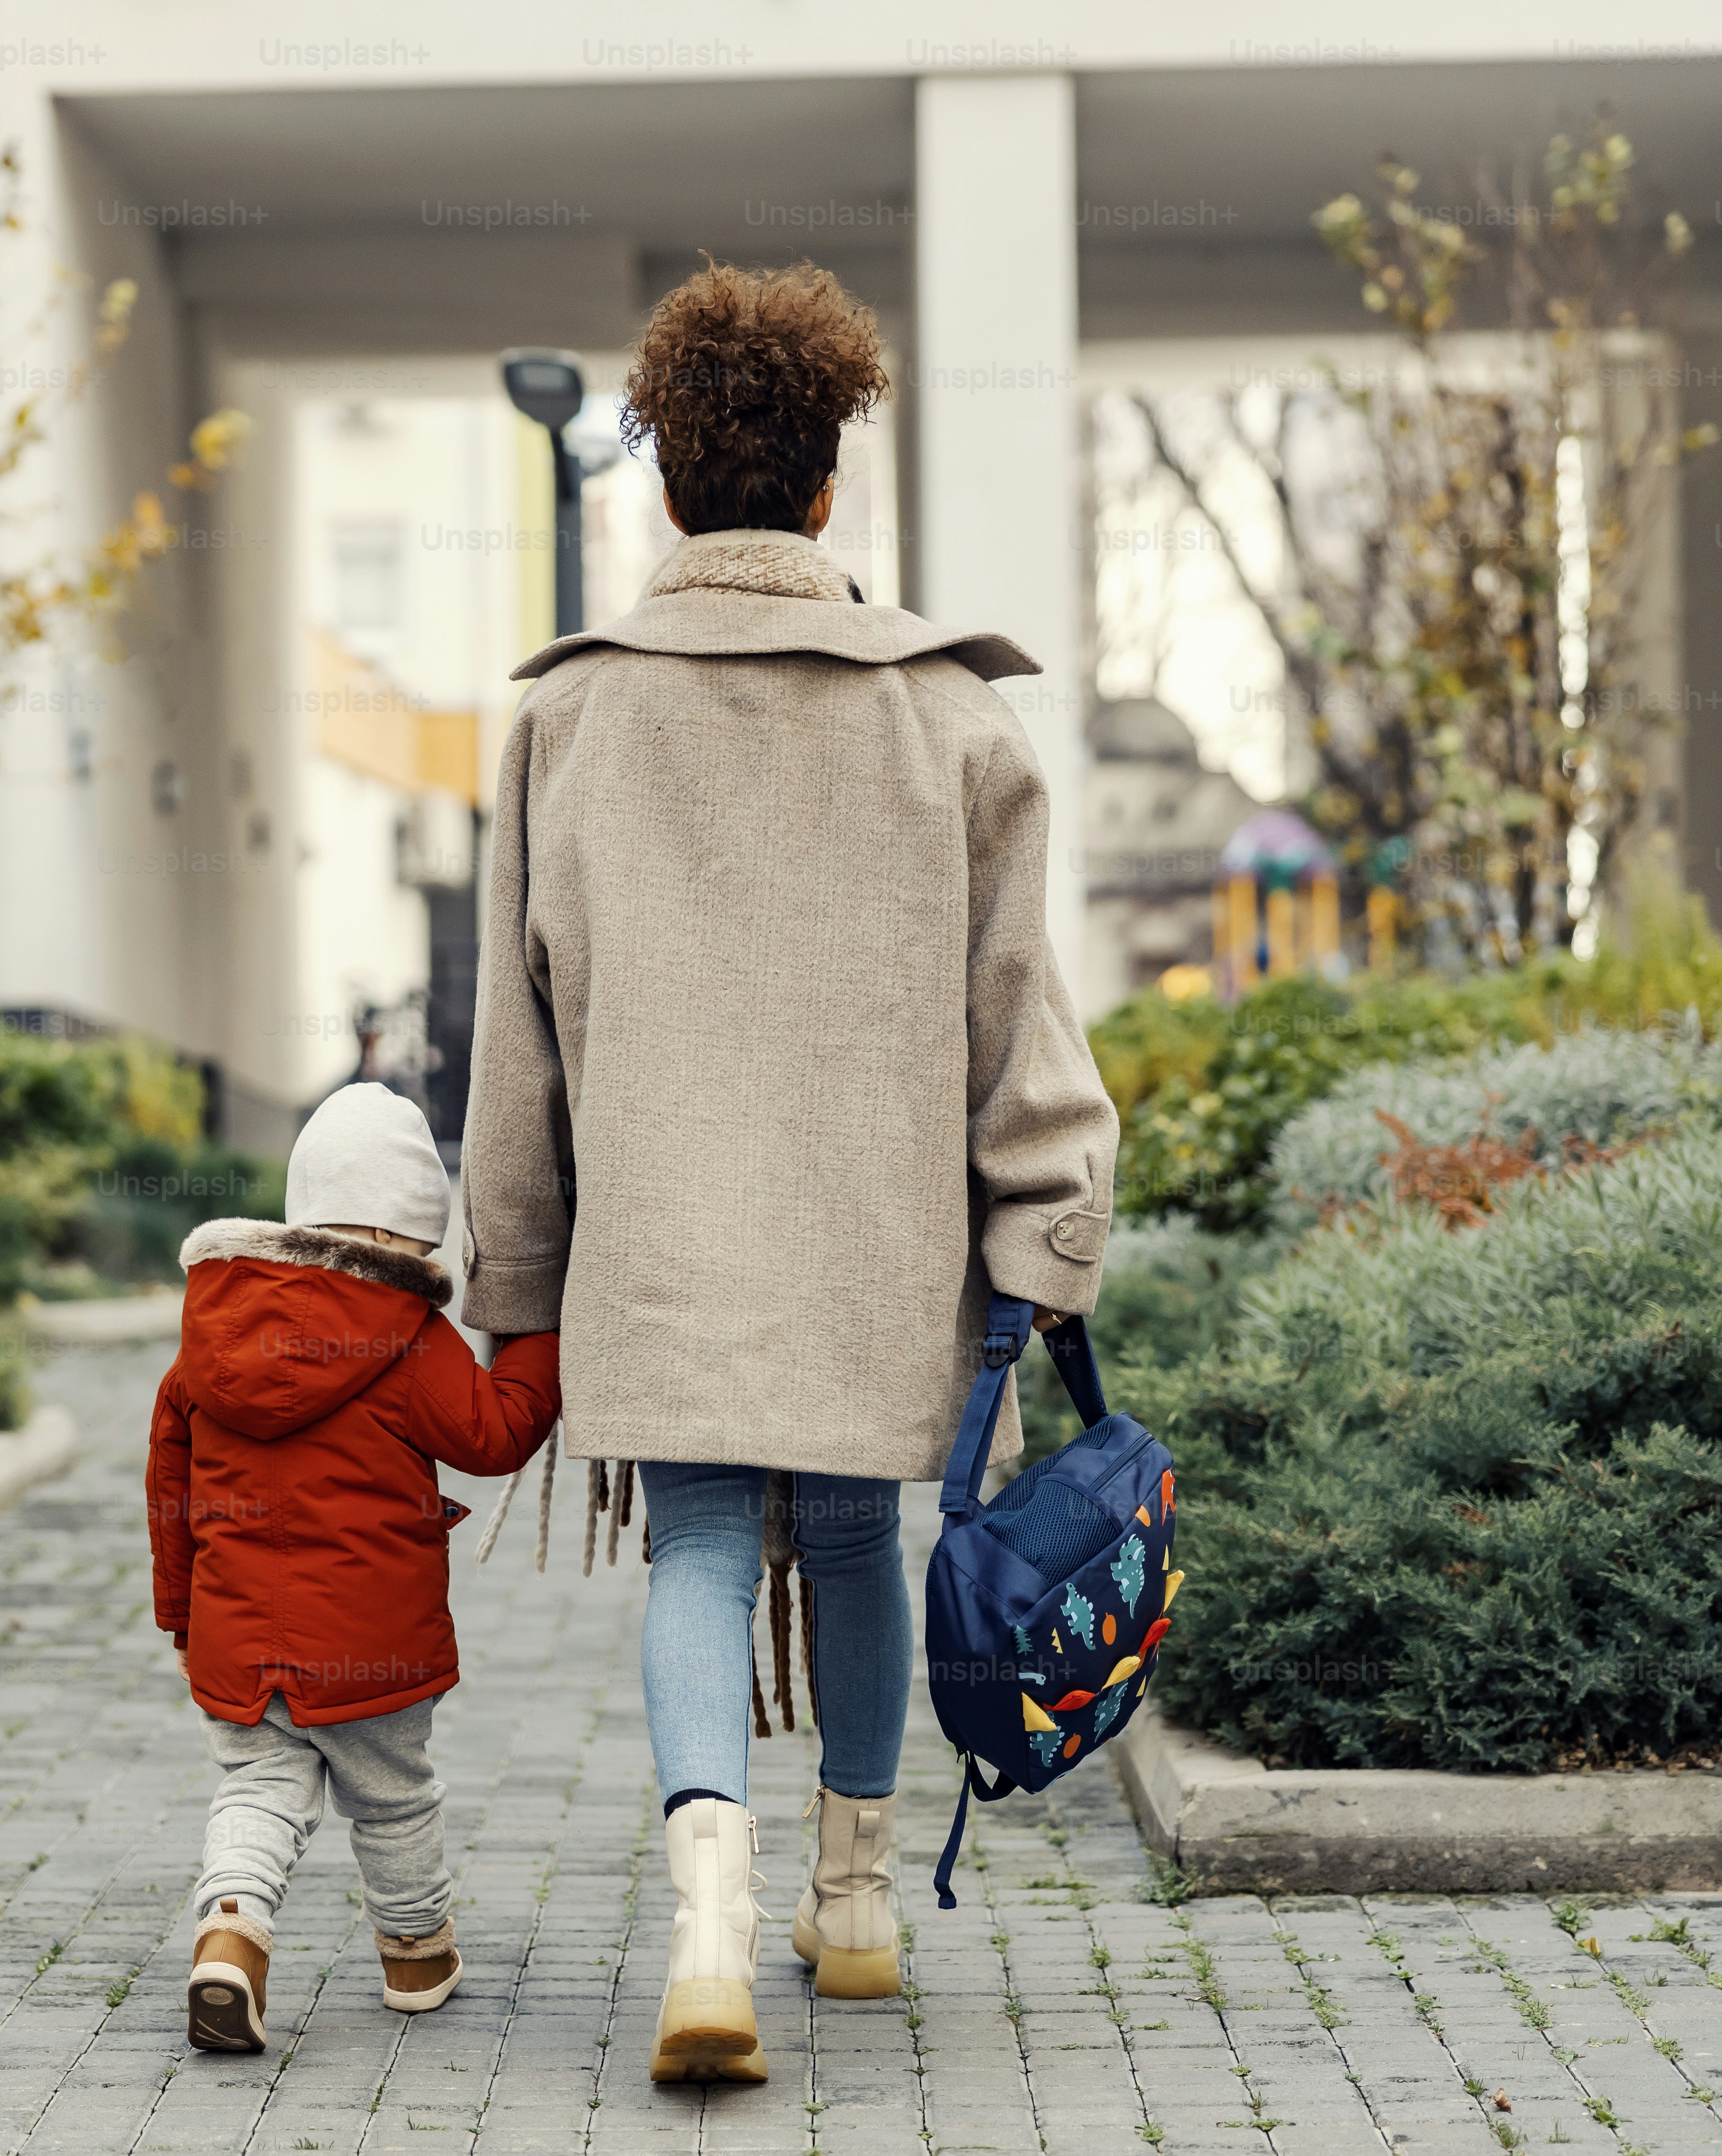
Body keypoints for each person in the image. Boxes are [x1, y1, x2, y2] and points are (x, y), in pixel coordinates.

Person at [455, 262, 1119, 2086]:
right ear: (830, 488)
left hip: (658, 1245)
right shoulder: (957, 722)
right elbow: (1022, 1032)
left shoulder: (567, 723)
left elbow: (514, 1051)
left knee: (693, 1547)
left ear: (666, 492)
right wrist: (1045, 1236)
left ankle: (701, 1934)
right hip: (878, 1247)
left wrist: (512, 1290)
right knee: (852, 1537)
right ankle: (858, 1904)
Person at [148, 1081, 564, 2054]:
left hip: (238, 1635)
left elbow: (169, 1493)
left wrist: (181, 1620)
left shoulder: (207, 1332)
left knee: (258, 1789)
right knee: (393, 1794)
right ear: (414, 1234)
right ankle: (416, 1955)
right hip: (374, 1643)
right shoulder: (407, 1335)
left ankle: (230, 1935)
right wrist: (543, 1338)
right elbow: (494, 1433)